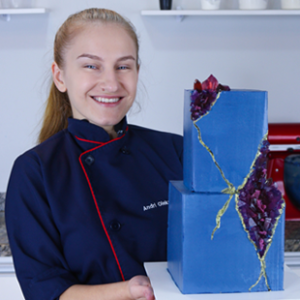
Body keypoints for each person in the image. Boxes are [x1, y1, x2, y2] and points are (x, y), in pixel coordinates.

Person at [5, 8, 183, 300]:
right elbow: (46, 291)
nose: (112, 84)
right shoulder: (35, 171)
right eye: (91, 66)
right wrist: (129, 291)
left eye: (123, 66)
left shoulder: (175, 151)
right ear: (60, 77)